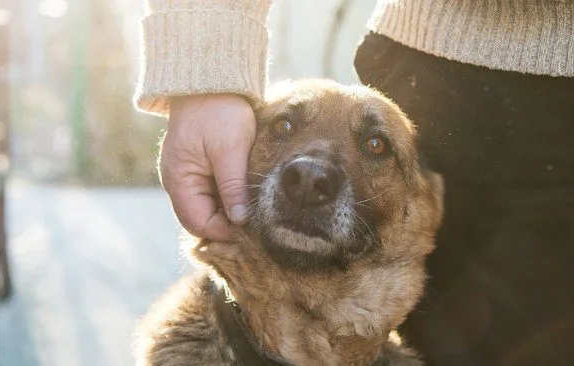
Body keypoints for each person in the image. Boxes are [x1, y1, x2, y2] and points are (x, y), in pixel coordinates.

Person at [134, 1, 574, 364]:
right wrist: (206, 73)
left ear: (425, 206)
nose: (310, 173)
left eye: (375, 147)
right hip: (441, 70)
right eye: (284, 128)